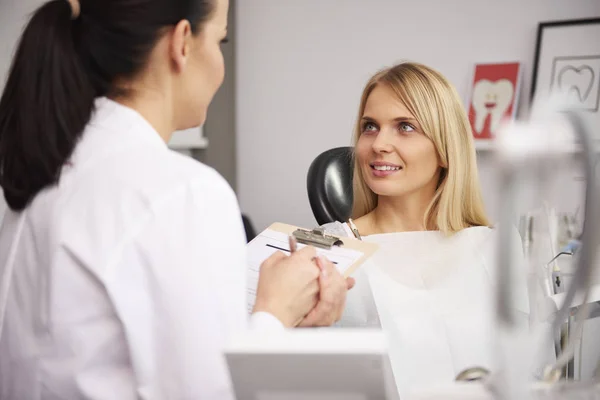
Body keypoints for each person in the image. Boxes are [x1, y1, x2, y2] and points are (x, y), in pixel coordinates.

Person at [0, 0, 353, 398]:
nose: (220, 62)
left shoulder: (41, 174)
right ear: (182, 42)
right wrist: (275, 316)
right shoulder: (183, 193)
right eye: (220, 39)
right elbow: (210, 392)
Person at [322, 62, 531, 398]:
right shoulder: (331, 252)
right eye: (370, 127)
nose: (379, 144)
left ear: (446, 149)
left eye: (405, 126)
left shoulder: (496, 246)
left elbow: (525, 370)